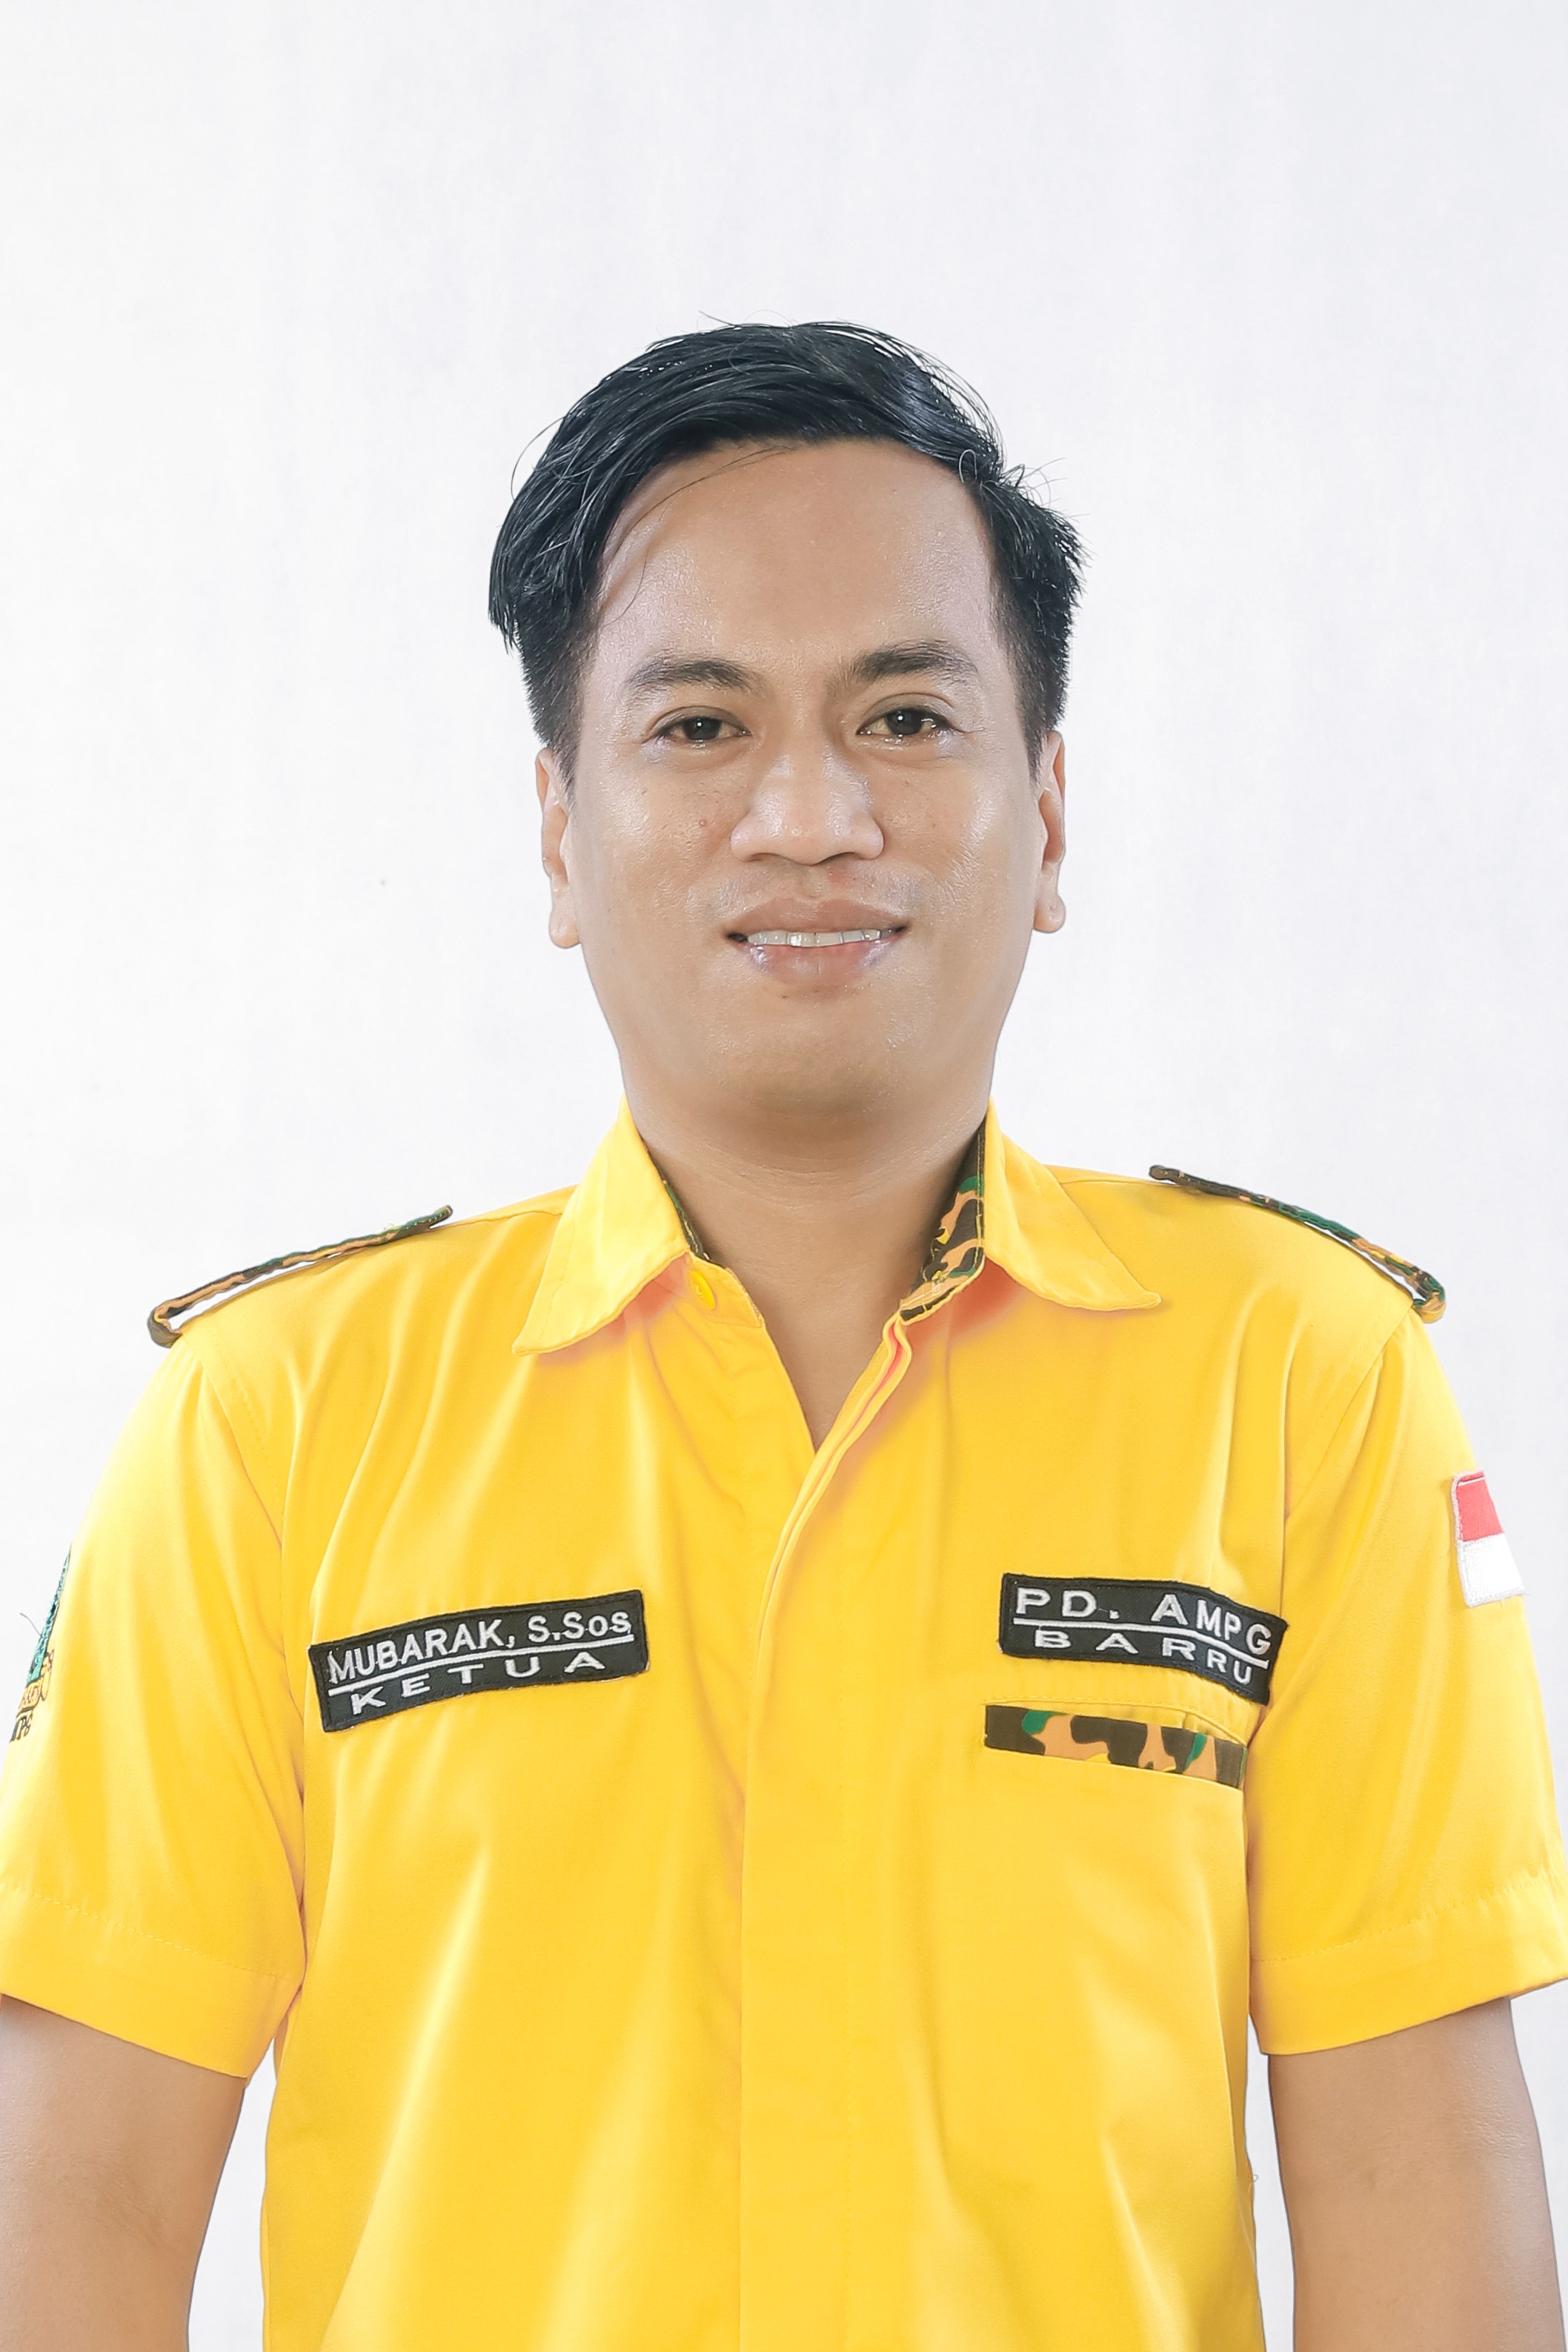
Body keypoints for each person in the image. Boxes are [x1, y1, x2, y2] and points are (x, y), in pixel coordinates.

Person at [0, 322, 1564, 2352]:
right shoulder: (275, 1423)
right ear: (558, 831)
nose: (810, 814)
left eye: (906, 716)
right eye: (698, 725)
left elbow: (1413, 2176)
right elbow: (83, 2199)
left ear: (1049, 811)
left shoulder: (1297, 1382)